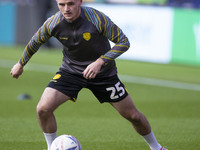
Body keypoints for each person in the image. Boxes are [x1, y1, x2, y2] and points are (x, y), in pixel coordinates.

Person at [10, 0, 167, 150]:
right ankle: (52, 147)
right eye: (61, 4)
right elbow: (35, 42)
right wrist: (20, 64)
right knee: (43, 109)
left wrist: (100, 62)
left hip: (104, 75)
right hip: (71, 72)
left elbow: (123, 42)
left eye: (71, 3)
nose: (66, 9)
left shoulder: (96, 18)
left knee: (133, 116)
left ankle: (156, 147)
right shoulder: (53, 23)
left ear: (80, 1)